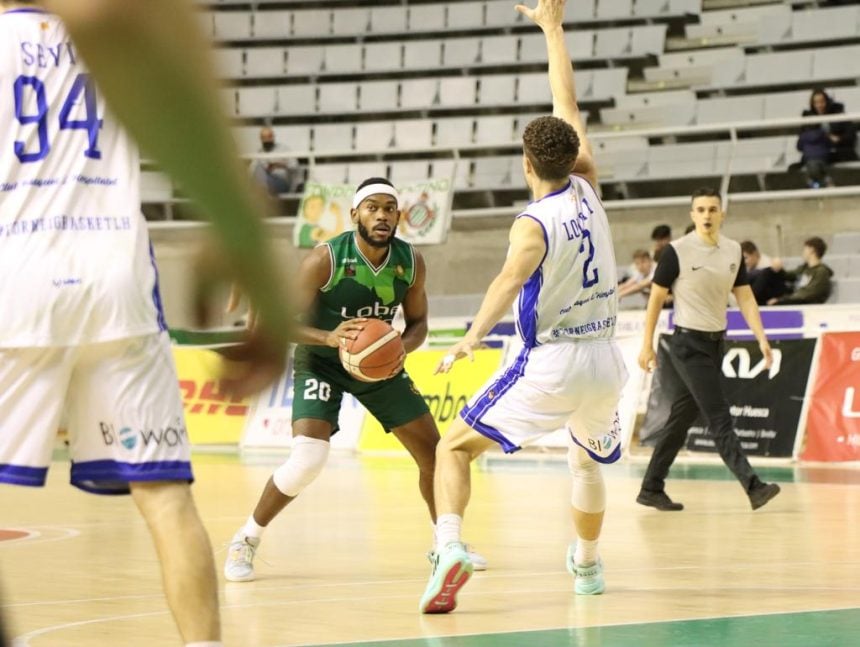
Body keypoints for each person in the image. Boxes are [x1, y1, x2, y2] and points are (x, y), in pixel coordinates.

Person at [2, 2, 295, 646]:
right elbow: (187, 107)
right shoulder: (115, 24)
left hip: (14, 284)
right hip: (119, 281)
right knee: (165, 498)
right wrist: (238, 231)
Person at [419, 0, 627, 614]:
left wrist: (469, 338)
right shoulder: (587, 181)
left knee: (452, 448)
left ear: (527, 164)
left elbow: (506, 284)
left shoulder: (532, 223)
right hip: (605, 363)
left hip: (555, 361)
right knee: (585, 463)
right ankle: (586, 566)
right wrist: (554, 30)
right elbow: (568, 105)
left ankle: (449, 545)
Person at [224, 177, 487, 583]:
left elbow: (418, 324)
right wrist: (328, 337)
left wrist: (400, 347)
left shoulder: (411, 262)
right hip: (321, 360)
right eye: (372, 207)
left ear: (399, 216)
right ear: (355, 215)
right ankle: (247, 538)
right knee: (308, 460)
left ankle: (446, 543)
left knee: (434, 455)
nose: (381, 215)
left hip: (376, 364)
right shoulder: (324, 260)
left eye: (388, 208)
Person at [636, 188, 781, 513]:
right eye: (700, 209)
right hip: (687, 344)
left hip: (717, 344)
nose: (706, 215)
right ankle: (753, 486)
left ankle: (651, 487)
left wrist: (761, 337)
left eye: (712, 209)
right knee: (719, 417)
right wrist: (647, 344)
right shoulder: (676, 251)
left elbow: (744, 297)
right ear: (692, 215)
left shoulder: (732, 251)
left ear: (721, 214)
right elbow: (657, 298)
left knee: (682, 417)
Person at [796, 89, 858, 188]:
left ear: (827, 101)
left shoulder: (839, 114)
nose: (819, 105)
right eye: (816, 102)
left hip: (838, 152)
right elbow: (800, 144)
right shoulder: (808, 119)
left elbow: (851, 136)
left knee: (814, 165)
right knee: (809, 164)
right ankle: (825, 183)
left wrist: (838, 139)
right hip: (817, 154)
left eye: (822, 101)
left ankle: (822, 184)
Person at [768, 236, 833, 305]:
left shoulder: (821, 272)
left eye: (805, 249)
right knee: (767, 273)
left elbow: (808, 294)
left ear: (812, 250)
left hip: (807, 305)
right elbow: (789, 275)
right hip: (795, 299)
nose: (803, 252)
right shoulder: (805, 268)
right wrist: (779, 269)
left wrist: (782, 300)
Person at [249, 126, 302, 197]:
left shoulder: (283, 149)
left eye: (269, 136)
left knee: (260, 174)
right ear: (261, 139)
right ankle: (262, 193)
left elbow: (295, 166)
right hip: (266, 181)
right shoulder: (259, 153)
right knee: (258, 168)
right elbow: (251, 171)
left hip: (282, 182)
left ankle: (261, 194)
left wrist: (279, 165)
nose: (267, 139)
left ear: (273, 137)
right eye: (264, 137)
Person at [741, 240, 786, 305]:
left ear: (755, 254)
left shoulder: (768, 266)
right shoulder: (749, 267)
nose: (744, 262)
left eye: (746, 258)